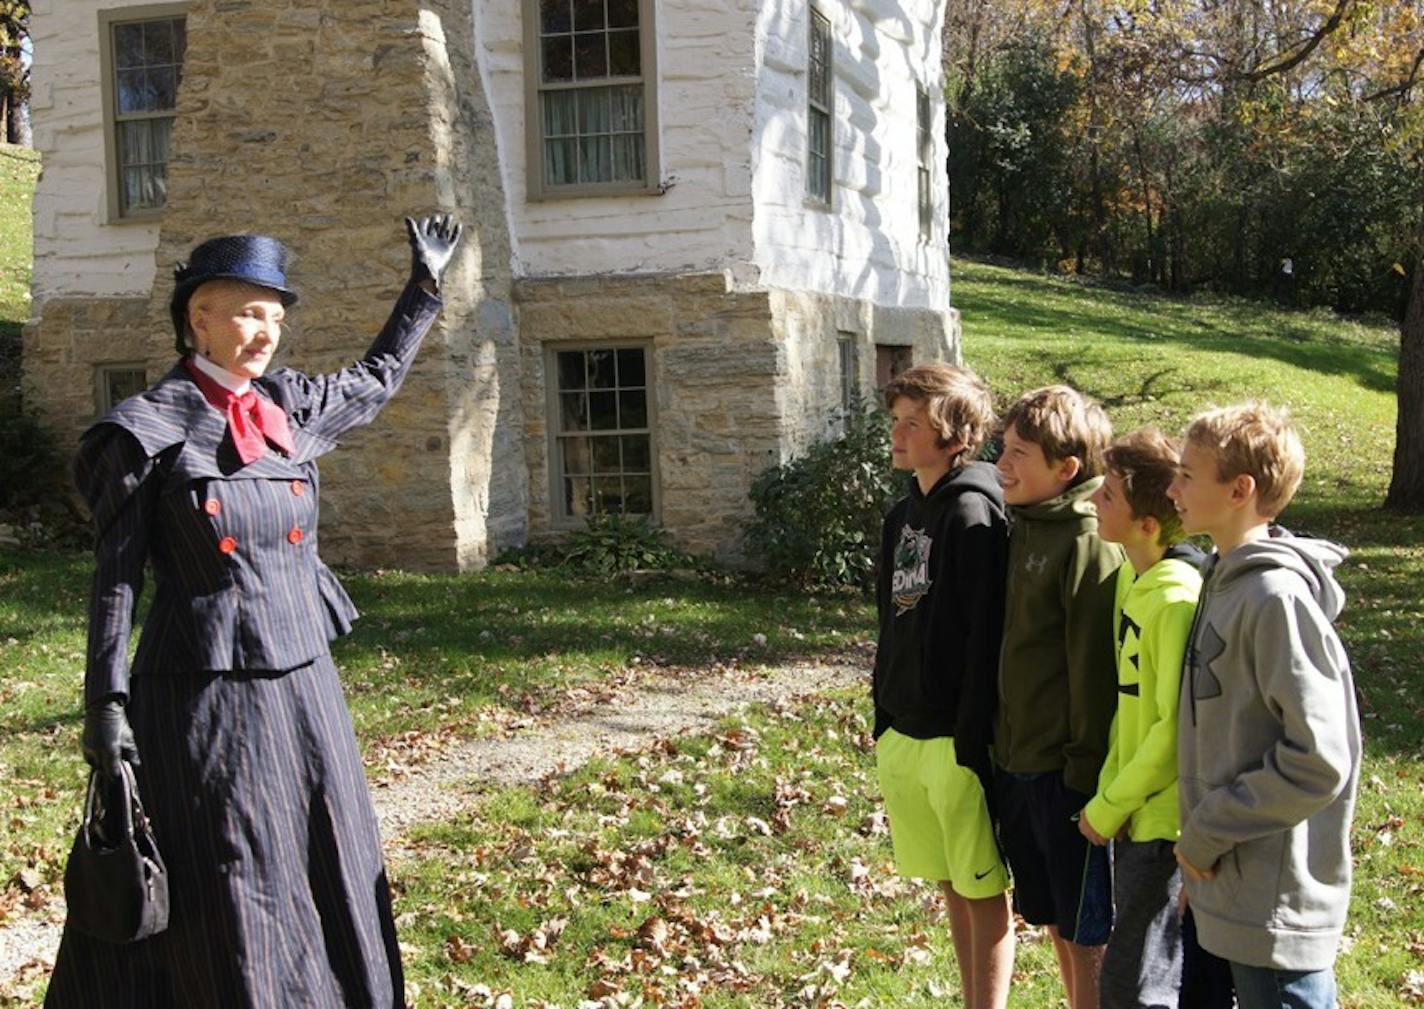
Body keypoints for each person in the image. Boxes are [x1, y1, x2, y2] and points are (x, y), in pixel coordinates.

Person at [45, 215, 463, 1008]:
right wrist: (105, 707)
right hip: (206, 694)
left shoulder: (288, 410)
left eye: (276, 314)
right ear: (198, 317)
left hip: (305, 682)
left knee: (324, 851)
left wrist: (423, 288)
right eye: (246, 311)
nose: (265, 330)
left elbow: (374, 380)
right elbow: (115, 584)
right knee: (235, 865)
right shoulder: (144, 432)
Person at [1168, 402, 1360, 1009]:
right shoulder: (1221, 578)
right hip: (1230, 883)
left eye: (1187, 476)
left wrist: (1206, 832)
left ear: (1239, 490)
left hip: (1274, 903)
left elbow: (1319, 759)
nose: (1172, 488)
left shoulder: (1275, 598)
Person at [872, 363, 1014, 1009]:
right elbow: (889, 619)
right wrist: (883, 713)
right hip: (906, 728)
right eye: (896, 420)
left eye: (914, 424)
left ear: (956, 435)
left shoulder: (974, 513)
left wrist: (969, 735)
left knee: (982, 887)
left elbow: (986, 638)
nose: (898, 434)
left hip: (957, 739)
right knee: (951, 883)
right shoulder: (904, 511)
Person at [990, 384, 1123, 1009]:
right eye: (1002, 448)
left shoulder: (1086, 540)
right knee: (1052, 917)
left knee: (1084, 927)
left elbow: (1093, 670)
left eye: (1020, 453)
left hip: (1063, 774)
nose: (1002, 465)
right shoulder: (1023, 526)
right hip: (1017, 757)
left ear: (1066, 469)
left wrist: (1082, 773)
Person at [1077, 429, 1203, 1009]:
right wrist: (1111, 794)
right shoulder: (1134, 577)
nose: (1090, 504)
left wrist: (1112, 806)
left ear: (1147, 525)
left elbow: (1173, 728)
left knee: (1135, 985)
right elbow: (1128, 707)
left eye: (1106, 497)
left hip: (1161, 823)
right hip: (1132, 814)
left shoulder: (1174, 600)